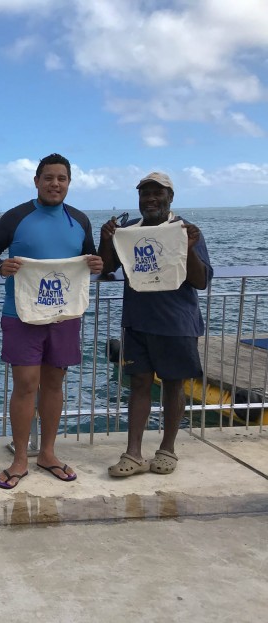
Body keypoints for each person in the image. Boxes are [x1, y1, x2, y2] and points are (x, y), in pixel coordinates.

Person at [0, 153, 103, 489]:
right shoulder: (17, 217)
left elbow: (91, 258)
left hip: (63, 315)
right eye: (48, 178)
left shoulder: (79, 220)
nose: (55, 184)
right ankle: (20, 458)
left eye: (61, 178)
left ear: (69, 183)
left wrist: (97, 265)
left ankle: (47, 453)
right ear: (36, 181)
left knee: (53, 385)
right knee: (25, 384)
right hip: (20, 313)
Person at [99, 172, 211, 477]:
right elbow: (107, 269)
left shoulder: (185, 230)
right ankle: (133, 454)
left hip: (177, 323)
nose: (150, 199)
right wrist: (105, 239)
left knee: (174, 385)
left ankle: (168, 450)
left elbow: (200, 281)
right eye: (145, 193)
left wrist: (188, 246)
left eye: (157, 193)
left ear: (170, 197)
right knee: (138, 385)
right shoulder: (128, 231)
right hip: (137, 323)